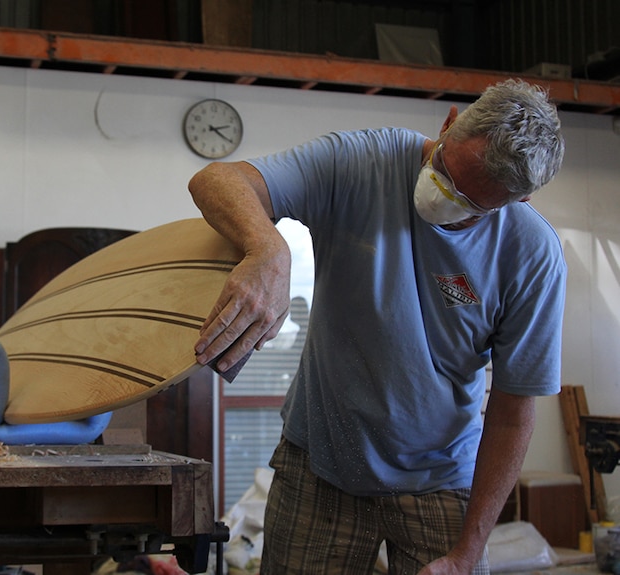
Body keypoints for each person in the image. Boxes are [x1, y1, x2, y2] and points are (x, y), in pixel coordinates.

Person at [188, 78, 566, 575]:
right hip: (319, 464)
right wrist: (267, 249)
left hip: (439, 479)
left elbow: (514, 414)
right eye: (447, 173)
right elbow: (217, 180)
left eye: (473, 205)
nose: (447, 201)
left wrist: (466, 554)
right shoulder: (362, 161)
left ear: (520, 200)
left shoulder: (531, 255)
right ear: (449, 123)